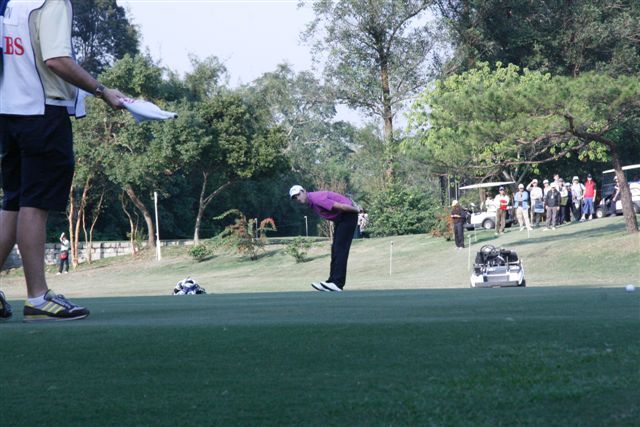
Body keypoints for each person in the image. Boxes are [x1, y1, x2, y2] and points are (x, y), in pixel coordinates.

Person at [0, 0, 124, 322]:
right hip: (42, 113)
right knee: (34, 205)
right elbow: (56, 59)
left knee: (12, 204)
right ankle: (38, 297)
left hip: (8, 114)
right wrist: (102, 90)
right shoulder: (52, 2)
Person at [290, 185, 361, 292]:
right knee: (335, 249)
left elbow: (341, 206)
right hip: (343, 218)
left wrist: (357, 210)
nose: (298, 199)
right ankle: (332, 281)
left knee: (340, 249)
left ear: (304, 190)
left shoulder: (316, 198)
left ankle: (337, 283)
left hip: (348, 215)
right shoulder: (311, 202)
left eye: (298, 195)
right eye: (295, 198)